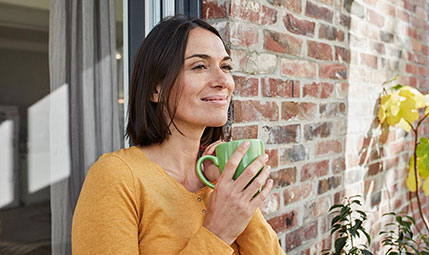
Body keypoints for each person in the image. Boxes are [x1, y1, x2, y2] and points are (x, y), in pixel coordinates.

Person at [71, 15, 285, 254]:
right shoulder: (117, 177)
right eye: (199, 66)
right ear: (156, 89)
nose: (223, 80)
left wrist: (239, 198)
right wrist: (218, 233)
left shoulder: (216, 179)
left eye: (225, 67)